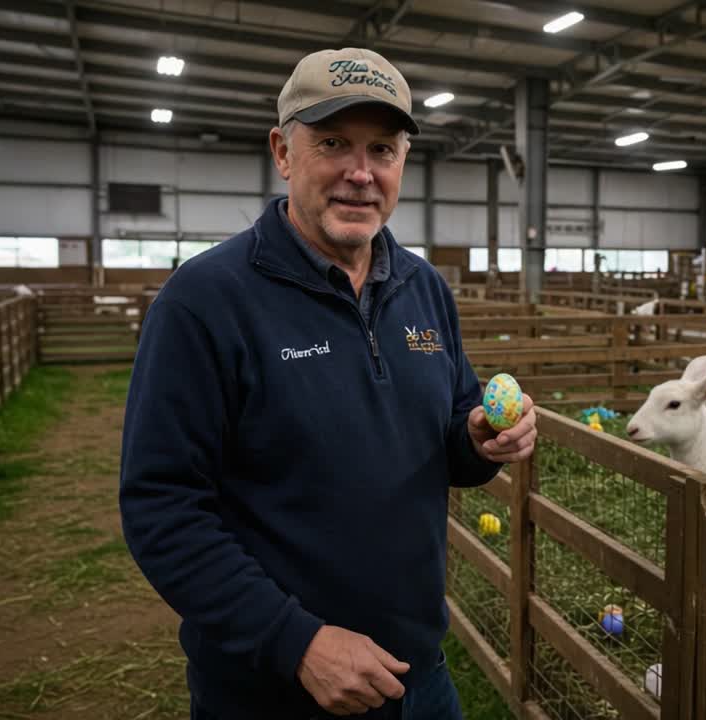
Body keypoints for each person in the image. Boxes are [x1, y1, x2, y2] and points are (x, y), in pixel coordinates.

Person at [118, 47, 537, 720]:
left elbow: (451, 435)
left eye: (383, 149)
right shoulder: (205, 301)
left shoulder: (423, 289)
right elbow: (161, 507)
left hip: (418, 676)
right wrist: (296, 641)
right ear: (284, 153)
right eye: (334, 143)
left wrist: (478, 438)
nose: (361, 173)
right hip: (270, 690)